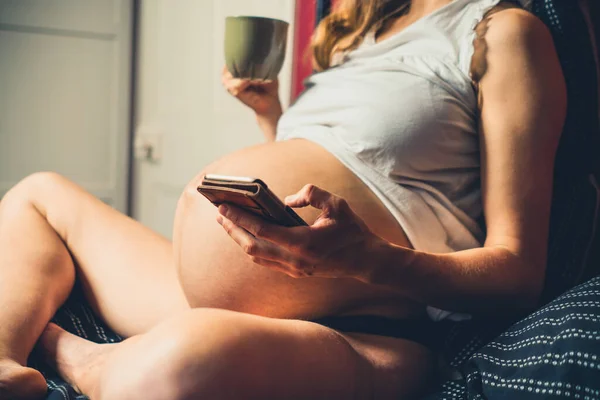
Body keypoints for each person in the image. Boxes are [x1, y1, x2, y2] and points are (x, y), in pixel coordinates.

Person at [0, 0, 566, 398]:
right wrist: (271, 115)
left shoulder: (502, 32)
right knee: (38, 194)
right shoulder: (356, 40)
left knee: (176, 368)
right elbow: (332, 175)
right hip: (215, 294)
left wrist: (370, 259)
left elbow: (519, 273)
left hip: (364, 321)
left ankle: (69, 354)